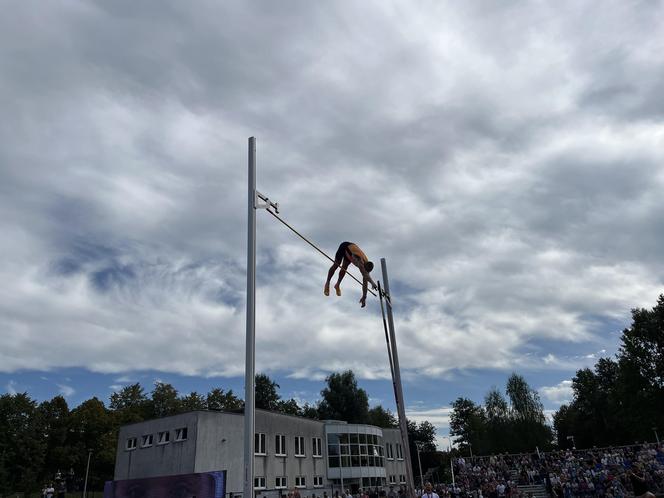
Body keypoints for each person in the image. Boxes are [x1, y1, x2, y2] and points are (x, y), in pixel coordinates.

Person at [324, 241, 377, 307]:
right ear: (364, 265)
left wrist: (364, 297)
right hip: (345, 247)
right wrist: (372, 282)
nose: (363, 271)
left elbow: (365, 282)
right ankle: (327, 283)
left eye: (365, 272)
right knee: (336, 265)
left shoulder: (366, 270)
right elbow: (365, 275)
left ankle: (337, 285)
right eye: (363, 270)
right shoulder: (359, 261)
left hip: (350, 253)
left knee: (344, 267)